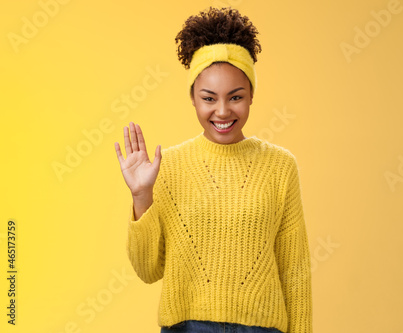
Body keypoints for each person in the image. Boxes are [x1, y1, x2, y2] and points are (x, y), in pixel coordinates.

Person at [114, 6, 312, 333]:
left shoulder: (280, 166)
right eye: (209, 98)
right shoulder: (168, 166)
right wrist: (141, 195)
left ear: (251, 96)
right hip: (186, 327)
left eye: (235, 97)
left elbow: (295, 269)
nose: (222, 111)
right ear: (193, 98)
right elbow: (149, 270)